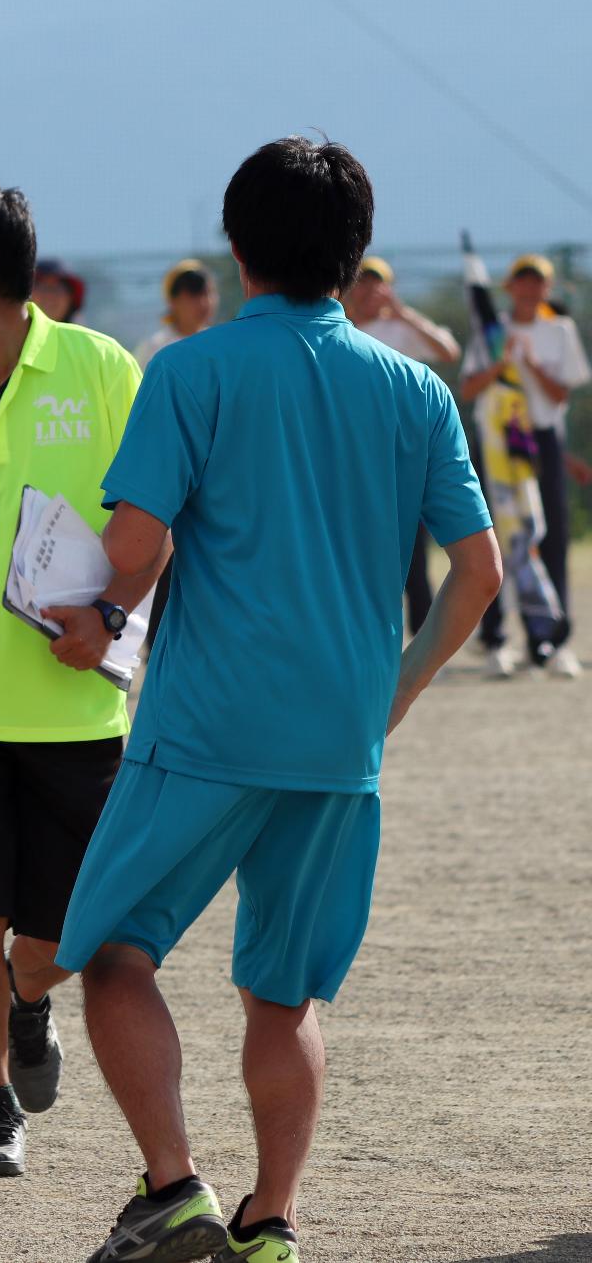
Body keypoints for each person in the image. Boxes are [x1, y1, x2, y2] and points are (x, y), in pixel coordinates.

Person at [54, 137, 501, 1263]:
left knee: (109, 953)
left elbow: (138, 542)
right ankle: (271, 1221)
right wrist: (393, 690)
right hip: (338, 732)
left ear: (235, 247)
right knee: (286, 994)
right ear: (353, 257)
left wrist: (90, 615)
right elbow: (479, 570)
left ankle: (171, 1191)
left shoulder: (190, 370)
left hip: (203, 720)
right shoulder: (413, 387)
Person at [0, 178, 159, 1180]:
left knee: (57, 940)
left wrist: (106, 620)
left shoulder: (100, 369)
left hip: (81, 707)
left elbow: (157, 517)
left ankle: (25, 1002)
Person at [462, 253, 587, 678]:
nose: (531, 289)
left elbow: (559, 396)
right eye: (523, 280)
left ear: (547, 288)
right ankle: (495, 638)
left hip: (541, 442)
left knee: (547, 535)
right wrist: (502, 363)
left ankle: (549, 639)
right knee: (493, 537)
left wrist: (529, 363)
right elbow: (469, 387)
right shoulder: (491, 330)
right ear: (510, 286)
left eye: (540, 282)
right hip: (496, 442)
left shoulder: (560, 330)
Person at [345, 257, 461, 637]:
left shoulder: (401, 327)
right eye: (361, 282)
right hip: (354, 453)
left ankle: (423, 635)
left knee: (414, 553)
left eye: (376, 282)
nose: (368, 289)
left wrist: (403, 313)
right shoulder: (341, 325)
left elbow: (448, 351)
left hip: (402, 454)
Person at [133, 259, 217, 367]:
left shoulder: (218, 345)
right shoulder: (155, 349)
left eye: (208, 292)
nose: (205, 302)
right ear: (172, 301)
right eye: (193, 295)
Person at [32, 258, 86, 325]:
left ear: (71, 299)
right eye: (43, 288)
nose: (49, 296)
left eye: (56, 289)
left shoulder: (82, 335)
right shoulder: (16, 335)